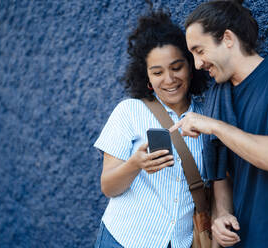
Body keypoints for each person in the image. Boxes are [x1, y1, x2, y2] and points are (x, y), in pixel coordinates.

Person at [169, 1, 268, 247]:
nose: (198, 64)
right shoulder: (217, 95)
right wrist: (221, 214)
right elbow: (222, 172)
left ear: (228, 38)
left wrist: (216, 127)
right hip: (246, 239)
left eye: (199, 51)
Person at [94, 11, 208, 248]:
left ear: (191, 66)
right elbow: (108, 186)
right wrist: (135, 164)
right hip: (124, 239)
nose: (169, 79)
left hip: (181, 241)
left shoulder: (207, 117)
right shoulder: (129, 111)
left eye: (177, 67)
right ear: (146, 77)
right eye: (157, 72)